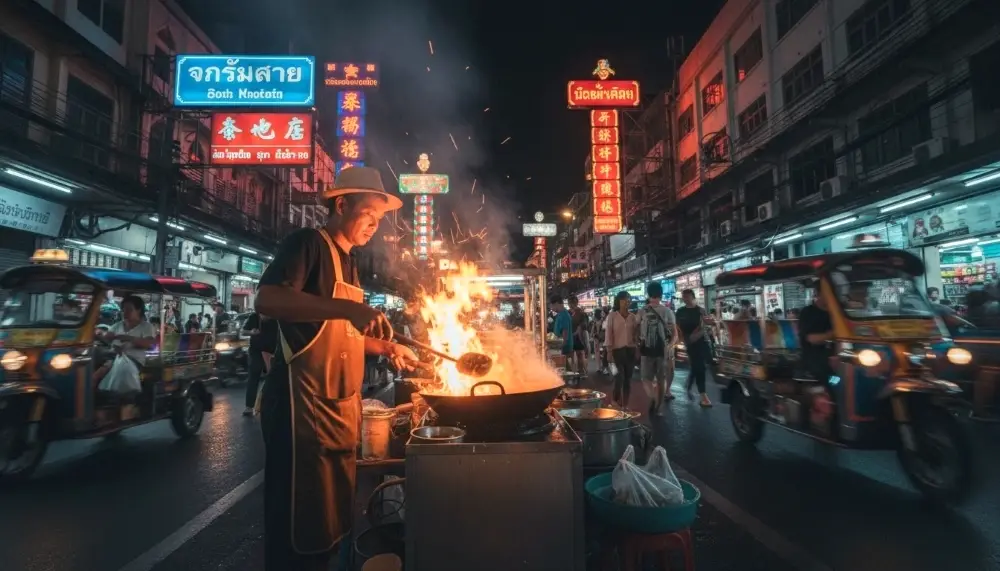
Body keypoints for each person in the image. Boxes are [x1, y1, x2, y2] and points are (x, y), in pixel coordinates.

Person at [254, 166, 418, 571]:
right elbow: (269, 300)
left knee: (330, 523)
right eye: (370, 215)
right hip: (300, 412)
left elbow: (335, 335)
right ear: (341, 204)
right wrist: (349, 308)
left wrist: (385, 345)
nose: (375, 227)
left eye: (380, 221)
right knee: (298, 526)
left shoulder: (350, 263)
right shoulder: (307, 244)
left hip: (338, 411)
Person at [94, 295, 158, 385]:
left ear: (138, 310)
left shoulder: (146, 327)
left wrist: (128, 339)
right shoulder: (117, 325)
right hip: (113, 357)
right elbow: (107, 338)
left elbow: (150, 344)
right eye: (123, 310)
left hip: (132, 362)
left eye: (129, 309)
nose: (125, 313)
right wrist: (100, 334)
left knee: (97, 375)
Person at [639, 282, 678, 415]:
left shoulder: (642, 311)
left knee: (646, 378)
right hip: (663, 350)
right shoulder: (668, 311)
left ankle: (654, 398)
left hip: (647, 350)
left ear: (648, 294)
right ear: (661, 295)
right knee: (661, 380)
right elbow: (675, 335)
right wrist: (669, 346)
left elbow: (636, 330)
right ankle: (659, 408)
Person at [675, 289, 712, 407]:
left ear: (692, 297)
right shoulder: (680, 312)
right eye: (684, 296)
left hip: (702, 341)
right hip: (689, 342)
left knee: (698, 365)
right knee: (699, 366)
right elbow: (677, 328)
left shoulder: (700, 311)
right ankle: (703, 395)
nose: (685, 298)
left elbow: (707, 325)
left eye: (687, 296)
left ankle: (690, 384)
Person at [605, 291, 638, 408]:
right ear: (618, 301)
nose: (626, 302)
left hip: (630, 351)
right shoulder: (612, 316)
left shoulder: (633, 317)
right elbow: (608, 334)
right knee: (618, 377)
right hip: (615, 352)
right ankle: (614, 400)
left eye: (628, 300)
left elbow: (636, 335)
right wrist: (609, 351)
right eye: (624, 300)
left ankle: (625, 404)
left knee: (628, 380)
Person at [242, 311, 277, 416]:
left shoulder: (277, 317)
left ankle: (271, 405)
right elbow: (243, 331)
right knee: (254, 375)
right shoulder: (253, 317)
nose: (264, 316)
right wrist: (251, 332)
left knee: (273, 378)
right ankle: (249, 406)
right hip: (256, 351)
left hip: (272, 351)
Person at [550, 295, 574, 372]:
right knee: (564, 368)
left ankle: (571, 381)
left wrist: (560, 346)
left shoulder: (564, 315)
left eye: (552, 306)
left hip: (564, 347)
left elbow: (565, 333)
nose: (551, 308)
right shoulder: (561, 314)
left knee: (564, 369)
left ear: (556, 303)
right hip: (561, 346)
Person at [568, 295, 589, 375]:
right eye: (570, 303)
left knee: (575, 355)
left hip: (576, 337)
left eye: (571, 303)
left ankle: (577, 372)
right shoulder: (580, 313)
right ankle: (578, 372)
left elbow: (583, 327)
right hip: (575, 337)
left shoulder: (579, 313)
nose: (571, 305)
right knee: (577, 355)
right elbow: (584, 326)